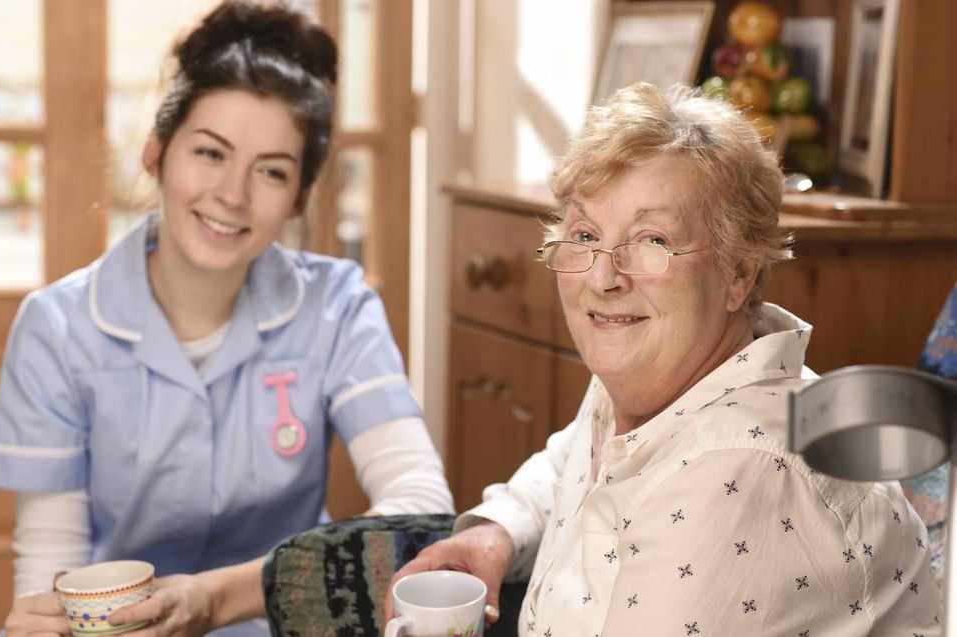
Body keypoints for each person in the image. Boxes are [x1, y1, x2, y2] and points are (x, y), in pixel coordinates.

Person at [387, 83, 941, 635]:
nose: (603, 278)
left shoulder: (742, 469)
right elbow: (571, 465)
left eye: (651, 240)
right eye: (584, 234)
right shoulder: (660, 376)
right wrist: (497, 531)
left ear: (738, 273)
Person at [0, 2, 453, 635]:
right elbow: (50, 573)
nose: (232, 194)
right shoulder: (55, 328)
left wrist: (222, 597)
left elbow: (419, 512)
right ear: (156, 152)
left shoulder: (338, 306)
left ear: (300, 197)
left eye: (271, 171)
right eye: (210, 153)